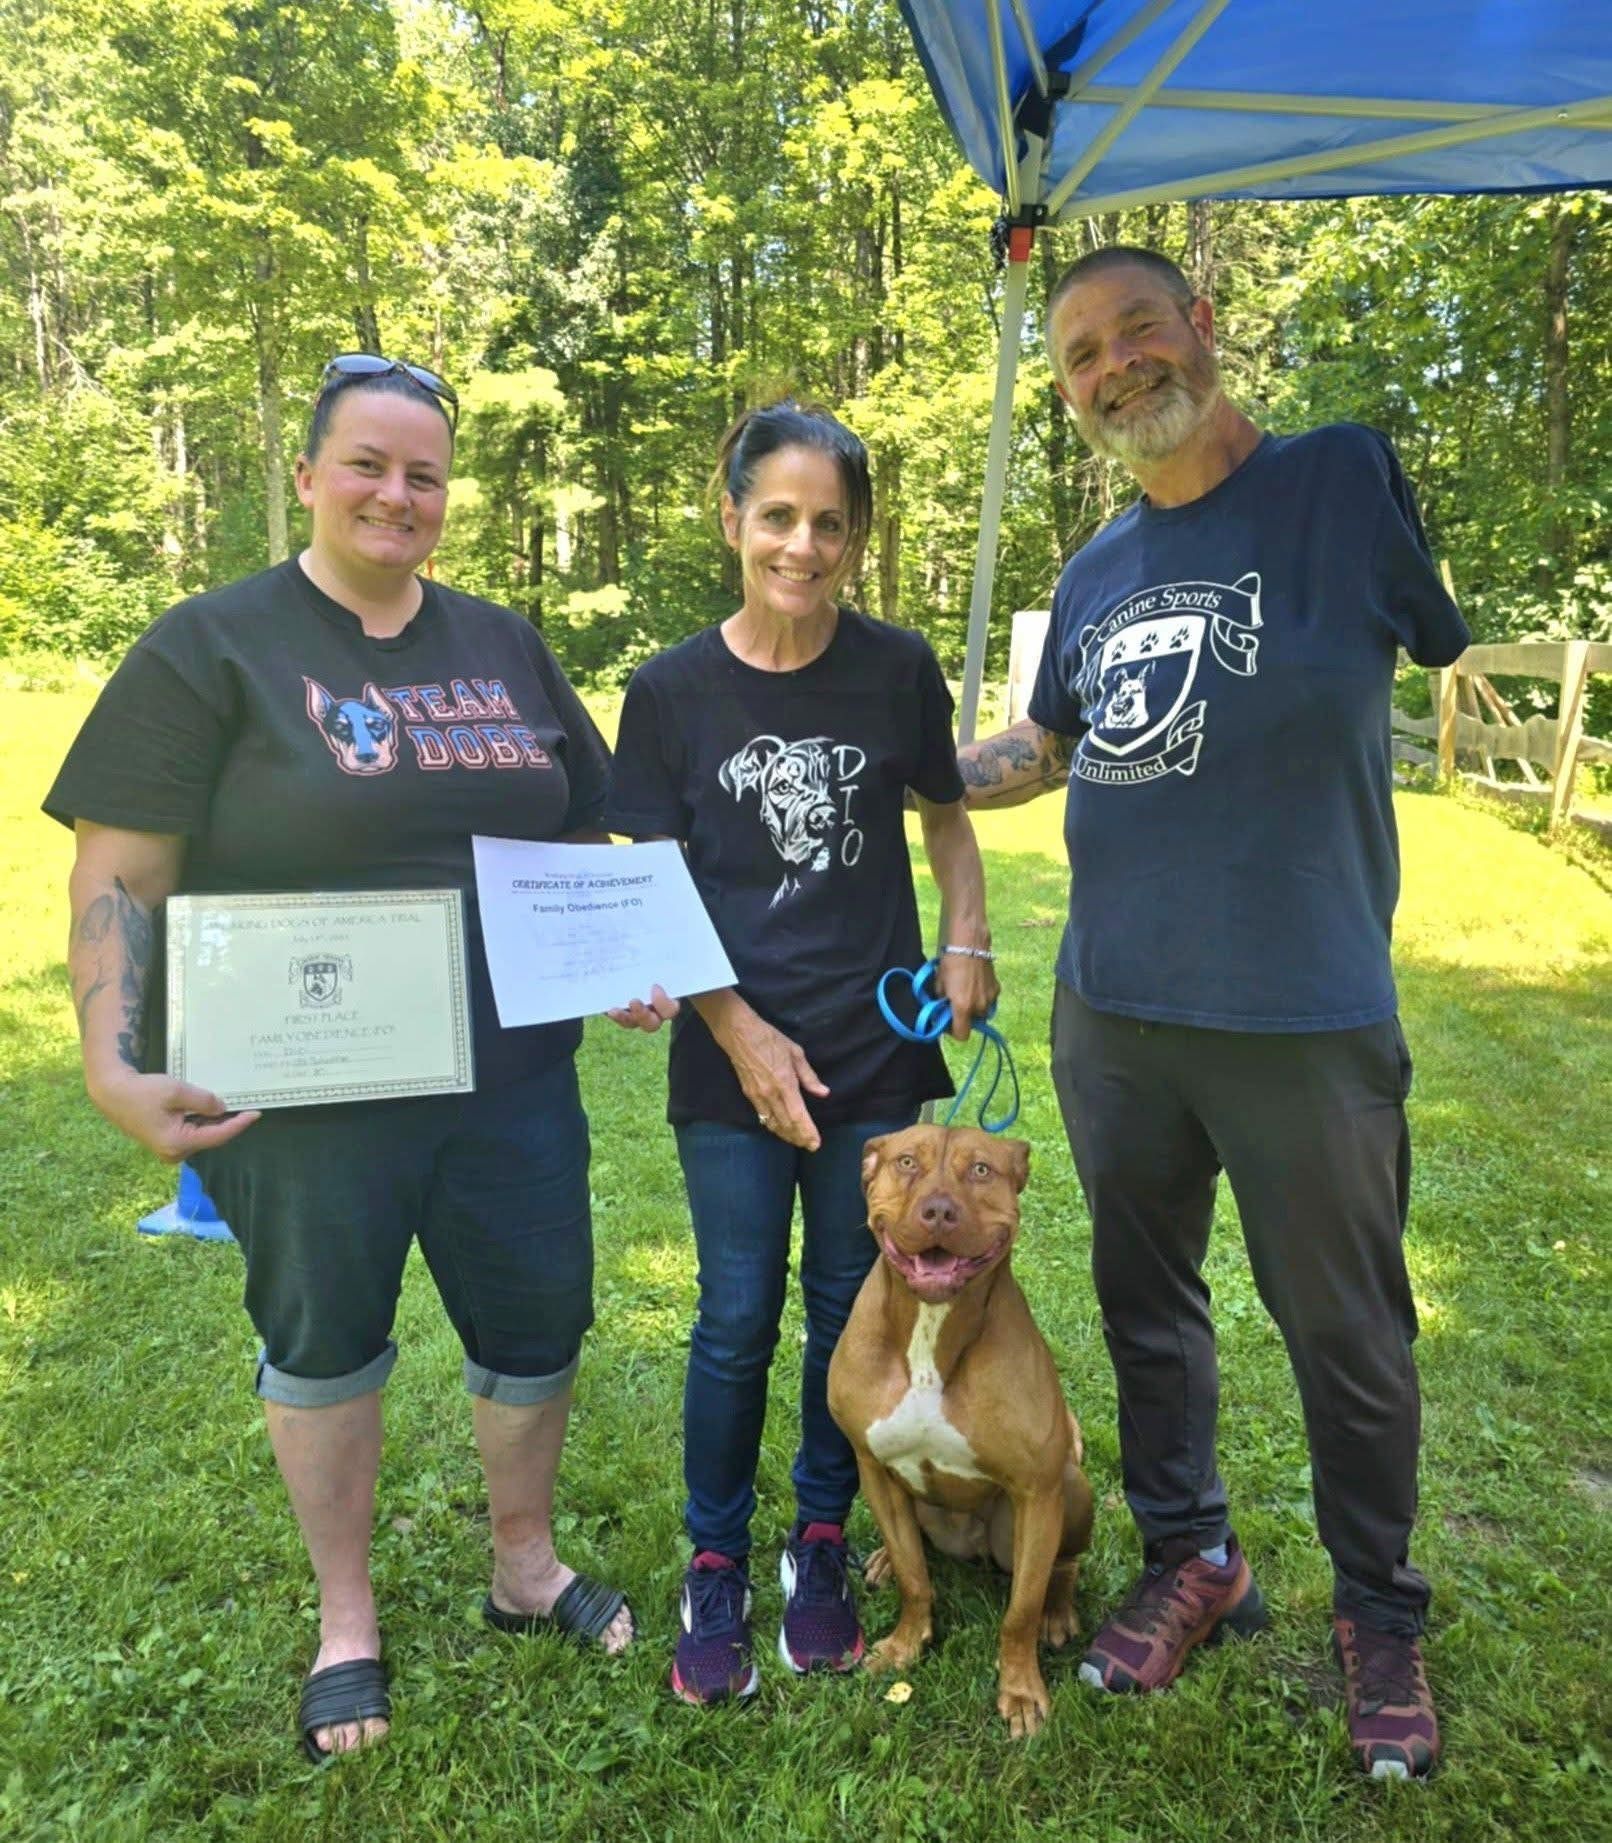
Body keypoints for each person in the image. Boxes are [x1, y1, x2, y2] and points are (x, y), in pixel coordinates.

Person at [46, 353, 646, 1764]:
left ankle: (524, 1564)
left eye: (424, 474)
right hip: (303, 1085)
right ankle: (346, 1620)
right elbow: (121, 872)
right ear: (308, 474)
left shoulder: (504, 645)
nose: (396, 494)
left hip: (509, 1075)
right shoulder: (210, 647)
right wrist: (111, 1061)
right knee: (323, 1340)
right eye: (367, 465)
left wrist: (610, 947)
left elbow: (580, 825)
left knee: (537, 1322)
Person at [958, 248, 1468, 1780]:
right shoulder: (1097, 567)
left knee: (1347, 1330)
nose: (1112, 366)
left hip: (1303, 1011)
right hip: (1115, 1010)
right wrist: (902, 762)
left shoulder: (1337, 481)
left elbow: (1431, 638)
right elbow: (1047, 747)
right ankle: (1194, 1558)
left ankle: (1379, 1612)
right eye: (1079, 355)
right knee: (1148, 1307)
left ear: (1204, 328)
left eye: (1136, 329)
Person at [603, 400, 998, 1705]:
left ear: (858, 537)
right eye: (777, 516)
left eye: (831, 524)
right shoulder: (669, 693)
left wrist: (968, 937)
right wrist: (737, 1028)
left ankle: (822, 1537)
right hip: (730, 1059)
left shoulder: (896, 669)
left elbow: (946, 818)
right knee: (734, 1317)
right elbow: (654, 888)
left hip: (875, 1058)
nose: (803, 546)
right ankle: (716, 1557)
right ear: (732, 520)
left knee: (852, 1305)